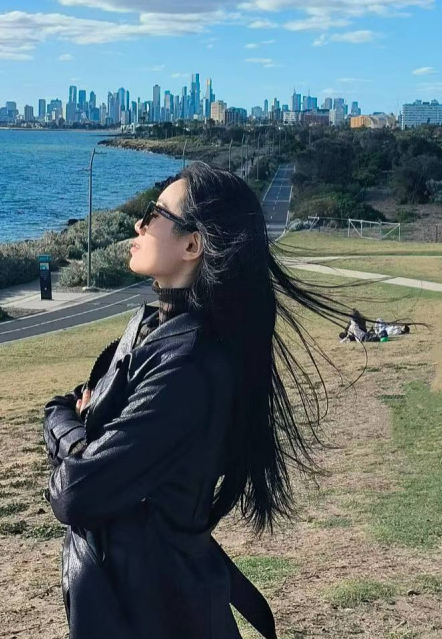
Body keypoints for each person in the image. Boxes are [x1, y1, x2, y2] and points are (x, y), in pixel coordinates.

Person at [43, 162, 349, 639]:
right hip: (133, 597)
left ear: (192, 245)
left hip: (159, 609)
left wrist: (68, 429)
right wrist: (77, 429)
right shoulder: (153, 329)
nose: (139, 224)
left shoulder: (189, 364)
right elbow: (73, 417)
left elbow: (75, 493)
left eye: (154, 214)